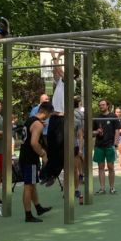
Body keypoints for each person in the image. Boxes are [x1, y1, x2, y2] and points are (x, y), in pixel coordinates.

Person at [40, 57, 80, 187]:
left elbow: (58, 70)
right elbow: (55, 72)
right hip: (54, 117)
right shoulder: (61, 83)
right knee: (51, 147)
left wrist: (55, 57)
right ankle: (49, 174)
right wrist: (53, 63)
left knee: (59, 148)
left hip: (63, 118)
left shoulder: (71, 82)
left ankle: (55, 173)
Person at [21, 103, 54, 222]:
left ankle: (38, 207)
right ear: (46, 112)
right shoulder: (38, 124)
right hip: (30, 158)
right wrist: (43, 154)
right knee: (28, 186)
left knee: (32, 184)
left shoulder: (30, 120)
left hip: (24, 156)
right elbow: (34, 143)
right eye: (49, 115)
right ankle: (28, 215)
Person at [93, 99, 119, 194]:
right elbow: (92, 132)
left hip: (109, 145)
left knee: (110, 166)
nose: (101, 106)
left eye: (103, 105)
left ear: (107, 105)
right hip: (99, 146)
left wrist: (115, 143)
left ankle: (112, 188)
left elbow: (117, 131)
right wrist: (97, 132)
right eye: (100, 105)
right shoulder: (96, 118)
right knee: (100, 167)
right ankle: (102, 188)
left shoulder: (113, 116)